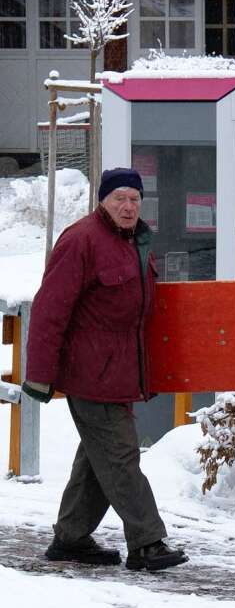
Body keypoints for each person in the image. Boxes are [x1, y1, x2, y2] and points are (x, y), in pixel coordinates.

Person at [23, 167, 188, 572]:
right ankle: (147, 541)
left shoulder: (133, 242)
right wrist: (39, 374)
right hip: (90, 373)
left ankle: (71, 538)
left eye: (134, 199)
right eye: (120, 199)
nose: (128, 206)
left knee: (99, 458)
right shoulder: (81, 240)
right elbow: (49, 309)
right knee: (119, 456)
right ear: (103, 201)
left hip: (118, 372)